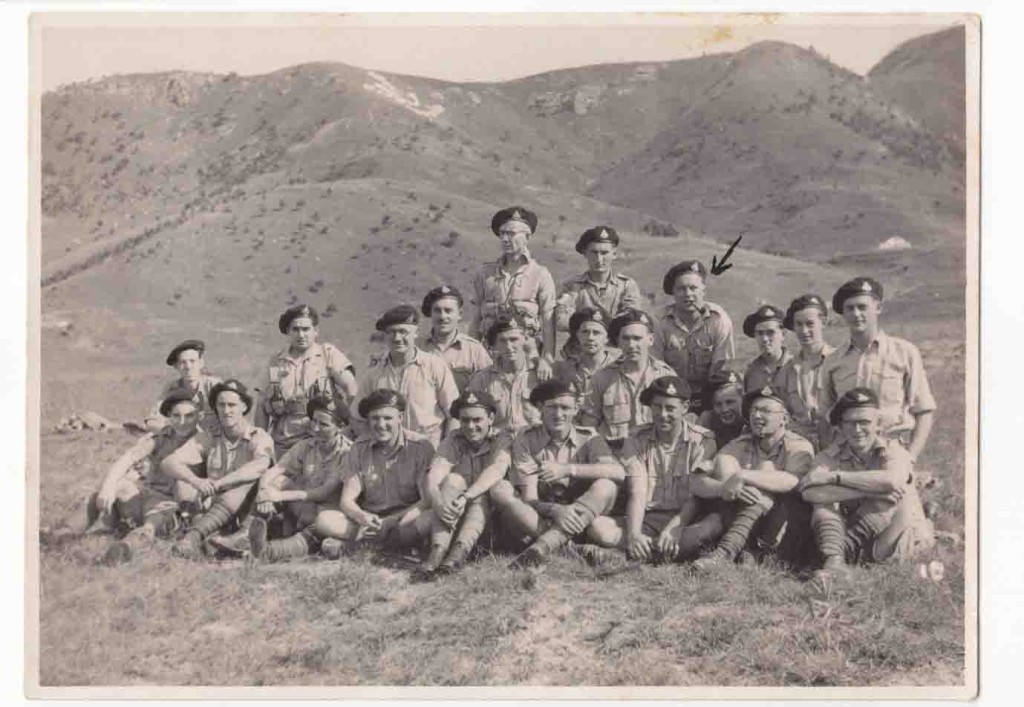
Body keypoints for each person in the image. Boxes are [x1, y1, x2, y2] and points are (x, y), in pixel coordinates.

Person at [799, 388, 935, 585]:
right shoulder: (828, 456)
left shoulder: (894, 451)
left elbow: (892, 481)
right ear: (840, 427)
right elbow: (809, 492)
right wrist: (866, 490)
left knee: (895, 500)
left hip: (887, 538)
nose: (857, 429)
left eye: (864, 422)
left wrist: (835, 477)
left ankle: (838, 559)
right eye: (850, 423)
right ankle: (835, 561)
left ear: (878, 425)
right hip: (849, 528)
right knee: (822, 504)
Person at [491, 381, 625, 569]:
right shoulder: (527, 438)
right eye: (552, 407)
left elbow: (618, 472)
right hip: (544, 517)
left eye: (565, 408)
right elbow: (530, 499)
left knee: (607, 486)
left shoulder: (589, 437)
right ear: (540, 408)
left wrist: (567, 469)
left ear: (576, 409)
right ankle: (573, 549)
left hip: (584, 517)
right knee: (501, 490)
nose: (559, 414)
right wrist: (557, 511)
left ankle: (541, 547)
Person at [587, 376, 722, 563]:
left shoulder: (703, 440)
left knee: (713, 525)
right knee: (598, 527)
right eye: (657, 407)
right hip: (646, 519)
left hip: (686, 519)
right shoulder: (636, 438)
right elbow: (638, 490)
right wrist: (634, 534)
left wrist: (675, 528)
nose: (662, 414)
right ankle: (657, 552)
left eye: (670, 408)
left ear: (685, 407)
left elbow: (695, 495)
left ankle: (629, 555)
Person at [44, 391, 201, 549]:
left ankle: (126, 548)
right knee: (117, 487)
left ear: (198, 416)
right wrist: (108, 487)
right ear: (169, 417)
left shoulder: (203, 440)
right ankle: (64, 533)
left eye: (189, 416)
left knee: (153, 523)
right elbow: (128, 458)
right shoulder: (163, 436)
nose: (182, 421)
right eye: (176, 416)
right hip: (147, 497)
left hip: (171, 506)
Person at [690, 386, 815, 570]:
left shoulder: (798, 445)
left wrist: (744, 476)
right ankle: (744, 551)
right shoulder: (740, 444)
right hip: (747, 521)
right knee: (725, 462)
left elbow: (792, 481)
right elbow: (697, 482)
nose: (756, 416)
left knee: (766, 470)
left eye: (765, 411)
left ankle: (725, 552)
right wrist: (724, 487)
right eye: (754, 410)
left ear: (785, 419)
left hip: (785, 526)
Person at [819, 277, 936, 461]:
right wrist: (830, 456)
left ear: (878, 308)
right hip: (847, 455)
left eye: (862, 307)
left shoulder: (904, 353)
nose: (856, 314)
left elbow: (923, 411)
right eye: (850, 308)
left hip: (892, 452)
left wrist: (910, 459)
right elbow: (825, 418)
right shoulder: (833, 361)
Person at [162, 379, 275, 559]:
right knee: (183, 483)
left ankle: (193, 537)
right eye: (221, 405)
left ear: (244, 407)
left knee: (246, 482)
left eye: (232, 405)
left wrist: (220, 483)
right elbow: (168, 462)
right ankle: (211, 541)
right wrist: (197, 481)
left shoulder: (258, 437)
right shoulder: (210, 436)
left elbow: (259, 466)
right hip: (215, 508)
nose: (226, 410)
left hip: (250, 508)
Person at [313, 390, 435, 557]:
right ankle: (387, 546)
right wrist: (362, 516)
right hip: (370, 521)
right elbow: (347, 501)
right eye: (375, 418)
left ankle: (360, 547)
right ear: (368, 420)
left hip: (405, 519)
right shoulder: (358, 448)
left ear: (400, 417)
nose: (381, 424)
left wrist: (391, 521)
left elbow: (425, 501)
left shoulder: (420, 447)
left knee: (430, 517)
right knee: (324, 520)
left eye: (387, 418)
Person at [418, 391, 513, 578]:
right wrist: (436, 499)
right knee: (453, 480)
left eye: (477, 420)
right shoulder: (454, 439)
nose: (471, 426)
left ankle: (458, 553)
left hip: (493, 522)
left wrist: (467, 496)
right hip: (456, 516)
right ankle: (438, 551)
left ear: (491, 418)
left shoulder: (502, 439)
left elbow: (496, 470)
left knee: (482, 492)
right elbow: (436, 471)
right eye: (465, 420)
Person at [247, 398, 353, 563]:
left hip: (329, 515)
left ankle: (267, 551)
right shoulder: (306, 445)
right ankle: (249, 531)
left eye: (324, 424)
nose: (316, 428)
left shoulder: (347, 453)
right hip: (304, 507)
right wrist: (264, 492)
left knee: (317, 530)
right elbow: (275, 470)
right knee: (278, 481)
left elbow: (323, 492)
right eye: (313, 421)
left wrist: (279, 496)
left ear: (340, 427)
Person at [255, 304, 358, 456]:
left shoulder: (327, 354)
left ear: (316, 331)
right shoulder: (276, 361)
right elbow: (262, 405)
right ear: (288, 332)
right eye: (295, 329)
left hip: (321, 436)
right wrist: (261, 442)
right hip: (285, 439)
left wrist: (345, 426)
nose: (301, 335)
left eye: (306, 329)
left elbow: (352, 390)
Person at [353, 304, 460, 447]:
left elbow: (454, 415)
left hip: (427, 451)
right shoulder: (374, 373)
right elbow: (356, 417)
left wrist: (445, 451)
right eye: (391, 332)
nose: (397, 338)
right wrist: (375, 443)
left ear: (416, 333)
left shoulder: (435, 366)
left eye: (403, 331)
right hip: (387, 456)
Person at [471, 206, 557, 380]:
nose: (504, 239)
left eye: (511, 234)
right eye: (502, 234)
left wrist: (547, 358)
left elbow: (548, 322)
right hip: (490, 355)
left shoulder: (540, 274)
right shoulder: (484, 274)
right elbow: (475, 319)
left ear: (526, 236)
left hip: (527, 355)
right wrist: (470, 353)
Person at [580, 308, 676, 447]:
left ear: (650, 339)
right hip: (614, 454)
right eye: (625, 338)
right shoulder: (602, 378)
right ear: (618, 341)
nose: (631, 345)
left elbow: (674, 426)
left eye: (637, 338)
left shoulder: (666, 376)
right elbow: (589, 427)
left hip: (653, 452)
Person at [652, 260, 735, 415]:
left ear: (703, 290)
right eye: (681, 289)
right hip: (670, 393)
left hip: (710, 395)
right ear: (673, 293)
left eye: (693, 288)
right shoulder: (659, 321)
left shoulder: (718, 320)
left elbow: (721, 367)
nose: (688, 294)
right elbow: (654, 367)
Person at [553, 226, 643, 355]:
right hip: (579, 355)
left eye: (604, 253)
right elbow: (561, 321)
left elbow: (630, 322)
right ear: (585, 253)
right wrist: (602, 324)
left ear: (614, 254)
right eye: (594, 252)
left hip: (615, 354)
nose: (599, 259)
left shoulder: (627, 286)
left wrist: (582, 321)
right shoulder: (572, 285)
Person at [774, 294, 835, 450]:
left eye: (810, 324)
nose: (804, 330)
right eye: (798, 324)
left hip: (836, 443)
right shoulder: (786, 370)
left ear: (824, 323)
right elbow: (782, 413)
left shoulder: (838, 362)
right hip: (799, 446)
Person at [465, 317, 542, 434]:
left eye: (514, 339)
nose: (508, 346)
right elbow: (470, 415)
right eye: (502, 341)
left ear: (525, 341)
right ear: (494, 346)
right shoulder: (482, 379)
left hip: (533, 439)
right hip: (497, 441)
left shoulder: (540, 374)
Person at [418, 285, 493, 392]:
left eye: (448, 311)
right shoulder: (417, 348)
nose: (443, 316)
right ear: (431, 313)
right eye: (437, 310)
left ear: (459, 314)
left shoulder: (474, 350)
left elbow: (489, 387)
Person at [551, 308, 618, 422]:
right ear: (577, 335)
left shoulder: (619, 370)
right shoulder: (564, 370)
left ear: (607, 338)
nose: (590, 338)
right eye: (585, 332)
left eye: (596, 333)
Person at [143, 339, 221, 432]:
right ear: (176, 366)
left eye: (192, 361)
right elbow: (151, 422)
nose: (188, 367)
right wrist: (175, 431)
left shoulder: (214, 386)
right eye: (183, 362)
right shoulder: (172, 388)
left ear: (201, 363)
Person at [742, 304, 792, 394]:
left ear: (783, 334)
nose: (764, 339)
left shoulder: (797, 368)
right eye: (760, 333)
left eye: (770, 332)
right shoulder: (751, 372)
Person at [697, 370, 747, 449]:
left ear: (743, 400)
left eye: (730, 402)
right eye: (718, 404)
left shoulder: (751, 421)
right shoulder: (708, 420)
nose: (724, 409)